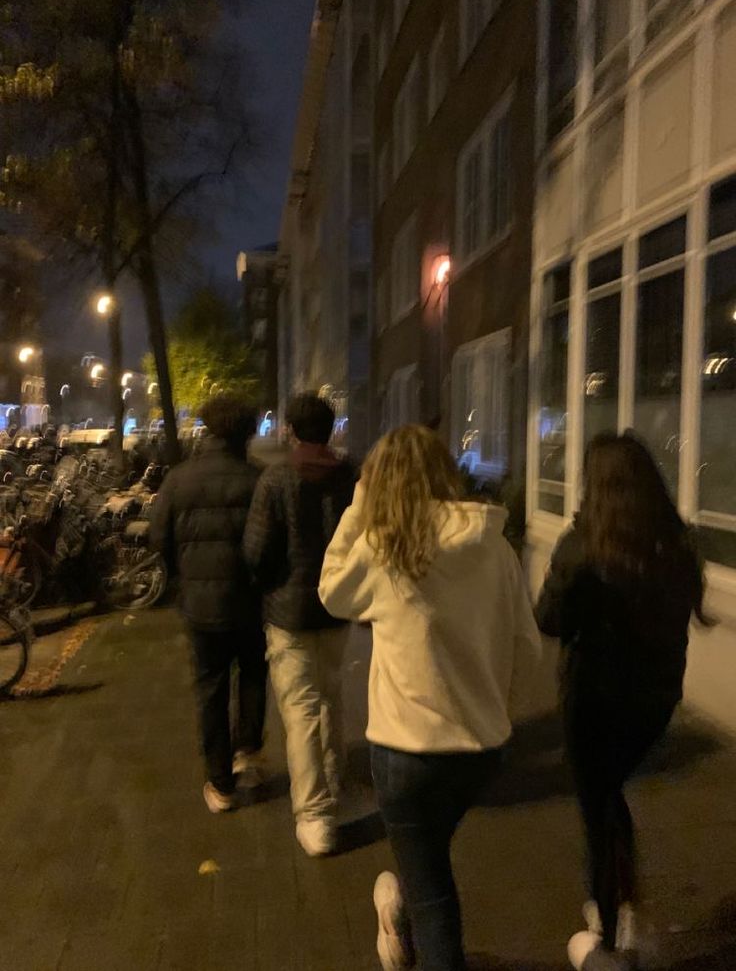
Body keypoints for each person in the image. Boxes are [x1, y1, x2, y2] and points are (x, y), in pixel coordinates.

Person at [318, 425, 542, 971]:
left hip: (406, 751)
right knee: (427, 860)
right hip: (482, 750)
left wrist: (357, 508)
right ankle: (399, 920)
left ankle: (411, 928)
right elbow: (527, 648)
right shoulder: (495, 547)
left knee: (432, 889)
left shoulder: (384, 548)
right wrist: (498, 711)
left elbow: (331, 592)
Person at [535, 432, 712, 971]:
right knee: (610, 797)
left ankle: (609, 928)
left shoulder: (584, 546)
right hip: (654, 702)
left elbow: (548, 619)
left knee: (598, 807)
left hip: (594, 702)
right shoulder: (675, 544)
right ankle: (625, 907)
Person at [243, 392, 356, 857]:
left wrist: (270, 587)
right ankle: (334, 783)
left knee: (301, 712)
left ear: (291, 429)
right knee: (331, 697)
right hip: (338, 607)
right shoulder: (351, 476)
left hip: (289, 614)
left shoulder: (276, 480)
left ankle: (315, 816)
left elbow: (257, 550)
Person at [149, 395, 267, 814]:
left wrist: (183, 574)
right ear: (247, 433)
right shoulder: (259, 480)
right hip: (251, 603)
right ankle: (247, 754)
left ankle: (220, 785)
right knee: (253, 674)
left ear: (208, 430)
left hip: (200, 605)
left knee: (210, 687)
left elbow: (157, 538)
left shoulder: (179, 480)